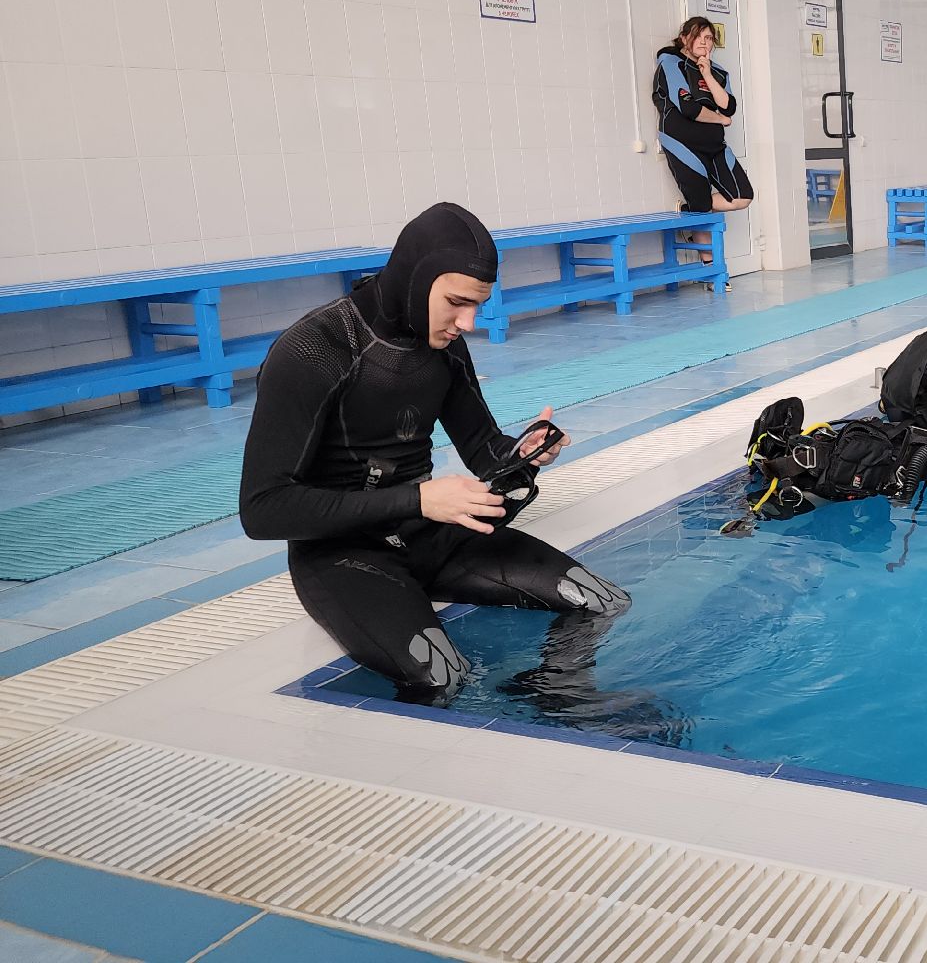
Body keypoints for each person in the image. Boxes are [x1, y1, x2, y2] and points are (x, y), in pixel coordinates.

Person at [240, 202, 633, 707]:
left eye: (477, 305)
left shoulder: (442, 344)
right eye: (456, 302)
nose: (467, 322)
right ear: (415, 278)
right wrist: (420, 500)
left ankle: (550, 698)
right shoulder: (314, 351)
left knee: (602, 601)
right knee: (442, 678)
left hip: (430, 534)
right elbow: (263, 510)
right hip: (342, 555)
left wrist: (524, 454)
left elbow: (485, 450)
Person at [654, 17, 752, 264]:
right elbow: (688, 108)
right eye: (697, 36)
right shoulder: (670, 63)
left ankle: (690, 213)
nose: (703, 42)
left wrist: (706, 73)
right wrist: (720, 120)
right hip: (682, 144)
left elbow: (728, 106)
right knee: (701, 204)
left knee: (742, 196)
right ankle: (711, 266)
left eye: (708, 38)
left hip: (715, 146)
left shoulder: (717, 71)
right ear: (684, 37)